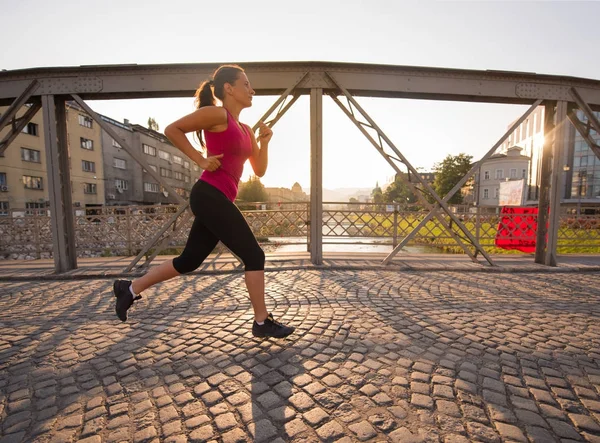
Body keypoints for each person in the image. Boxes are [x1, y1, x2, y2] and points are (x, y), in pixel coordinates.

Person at [113, 64, 294, 338]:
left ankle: (129, 288)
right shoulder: (217, 114)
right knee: (254, 255)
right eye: (246, 84)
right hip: (210, 194)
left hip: (218, 197)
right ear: (229, 89)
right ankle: (261, 322)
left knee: (189, 260)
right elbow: (172, 129)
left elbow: (259, 170)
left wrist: (265, 142)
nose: (252, 90)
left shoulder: (245, 129)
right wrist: (200, 159)